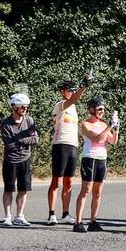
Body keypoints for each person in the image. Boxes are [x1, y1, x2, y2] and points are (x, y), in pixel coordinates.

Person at [47, 75, 90, 225]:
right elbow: (74, 100)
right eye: (69, 90)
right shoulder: (61, 104)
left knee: (69, 181)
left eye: (73, 90)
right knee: (56, 181)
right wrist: (84, 86)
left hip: (72, 146)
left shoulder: (74, 108)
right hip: (60, 144)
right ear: (62, 92)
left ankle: (65, 214)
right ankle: (52, 214)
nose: (71, 92)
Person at [73, 98, 119, 233]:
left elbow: (113, 141)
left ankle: (93, 221)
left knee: (97, 193)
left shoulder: (104, 124)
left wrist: (115, 128)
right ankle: (78, 221)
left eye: (104, 109)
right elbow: (97, 138)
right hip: (90, 158)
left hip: (102, 159)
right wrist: (110, 126)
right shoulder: (85, 124)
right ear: (91, 110)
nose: (102, 112)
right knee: (86, 190)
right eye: (100, 109)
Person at [0, 93, 39, 227]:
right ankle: (7, 216)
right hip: (10, 160)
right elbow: (9, 145)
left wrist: (20, 140)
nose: (25, 109)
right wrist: (24, 140)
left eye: (26, 107)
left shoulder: (30, 121)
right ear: (14, 106)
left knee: (24, 189)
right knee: (9, 188)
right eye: (22, 106)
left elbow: (35, 139)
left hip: (25, 159)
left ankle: (19, 216)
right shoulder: (5, 123)